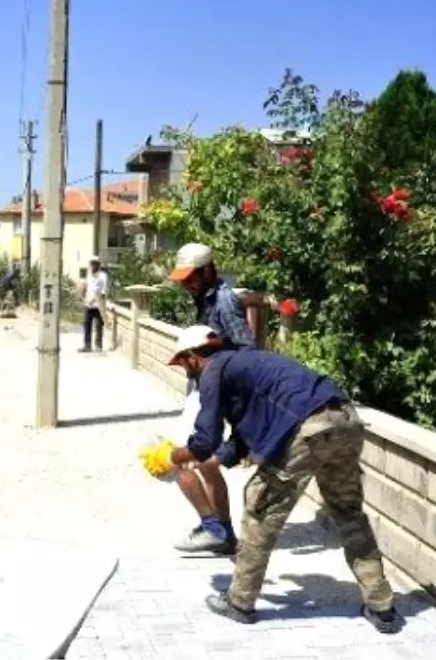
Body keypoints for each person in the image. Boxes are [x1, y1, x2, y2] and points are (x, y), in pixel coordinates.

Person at [144, 325, 403, 633]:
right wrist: (214, 461)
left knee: (259, 508)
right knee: (348, 514)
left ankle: (239, 600)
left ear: (192, 357)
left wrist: (170, 457)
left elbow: (204, 440)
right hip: (346, 420)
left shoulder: (212, 371)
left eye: (182, 362)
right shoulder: (246, 363)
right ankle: (381, 605)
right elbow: (240, 435)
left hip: (308, 429)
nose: (185, 370)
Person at [164, 242, 256, 555]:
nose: (187, 285)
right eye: (183, 280)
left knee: (188, 458)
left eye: (191, 278)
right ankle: (221, 531)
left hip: (217, 389)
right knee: (204, 461)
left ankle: (215, 528)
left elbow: (246, 349)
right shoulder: (205, 298)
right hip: (206, 387)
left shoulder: (226, 301)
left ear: (207, 271)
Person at [80, 256, 109, 352]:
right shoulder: (89, 275)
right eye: (92, 263)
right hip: (89, 304)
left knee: (99, 325)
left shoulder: (103, 276)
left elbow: (104, 291)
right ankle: (87, 345)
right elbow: (86, 287)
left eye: (95, 263)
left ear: (98, 264)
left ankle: (98, 345)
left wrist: (98, 299)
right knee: (87, 324)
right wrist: (83, 297)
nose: (93, 265)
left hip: (98, 304)